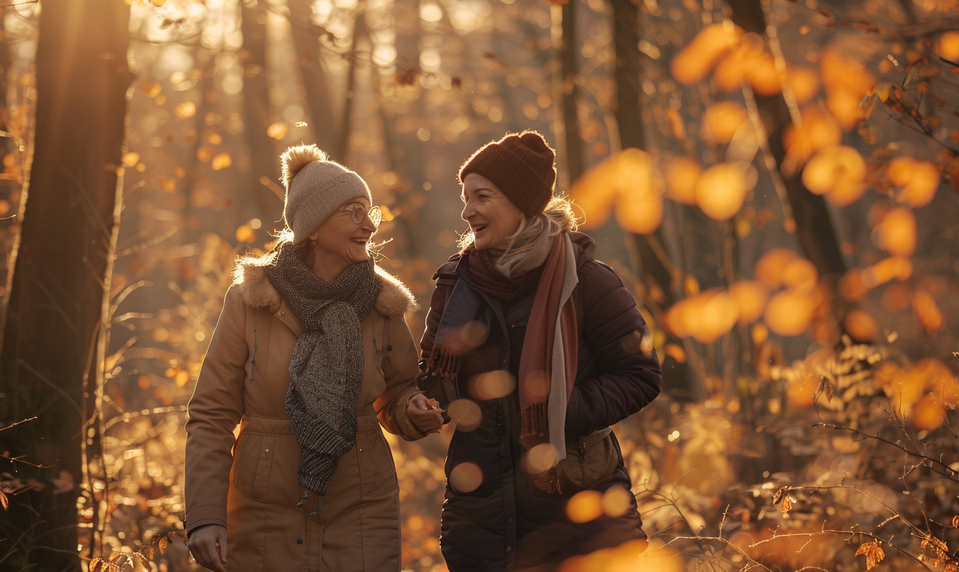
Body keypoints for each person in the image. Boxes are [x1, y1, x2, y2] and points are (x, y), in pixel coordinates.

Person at [184, 144, 444, 572]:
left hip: (361, 508)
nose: (370, 226)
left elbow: (398, 390)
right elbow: (211, 414)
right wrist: (206, 515)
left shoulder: (382, 304)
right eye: (354, 212)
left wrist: (413, 411)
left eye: (371, 212)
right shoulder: (250, 301)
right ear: (315, 227)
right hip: (264, 510)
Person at [419, 131, 663, 571]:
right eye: (465, 196)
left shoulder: (587, 280)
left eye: (481, 196)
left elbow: (640, 374)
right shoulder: (457, 284)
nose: (467, 210)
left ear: (521, 202)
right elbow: (433, 375)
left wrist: (560, 410)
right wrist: (425, 401)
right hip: (482, 514)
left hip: (579, 512)